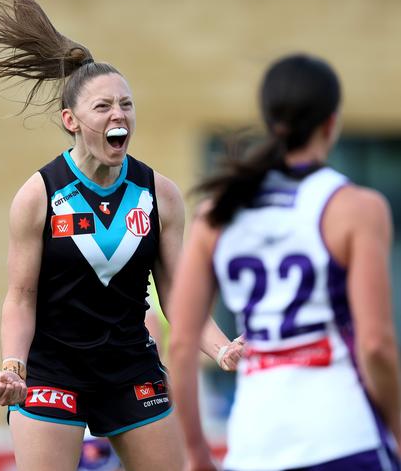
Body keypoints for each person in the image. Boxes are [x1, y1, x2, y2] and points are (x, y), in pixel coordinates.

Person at [0, 0, 243, 470]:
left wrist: (221, 349)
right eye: (104, 107)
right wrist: (14, 367)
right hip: (52, 370)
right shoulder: (38, 195)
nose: (119, 115)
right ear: (70, 120)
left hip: (130, 367)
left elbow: (177, 292)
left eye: (127, 105)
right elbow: (20, 296)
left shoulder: (161, 194)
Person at [168, 53, 401, 471]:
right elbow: (376, 344)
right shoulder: (357, 208)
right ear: (332, 123)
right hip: (343, 434)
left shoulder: (216, 213)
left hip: (254, 444)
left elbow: (182, 346)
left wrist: (196, 453)